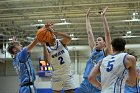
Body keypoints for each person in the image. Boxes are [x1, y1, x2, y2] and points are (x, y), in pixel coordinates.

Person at [77, 7, 112, 93]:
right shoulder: (93, 49)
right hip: (86, 82)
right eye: (96, 40)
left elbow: (107, 34)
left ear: (104, 44)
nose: (97, 41)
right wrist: (87, 17)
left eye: (99, 40)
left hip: (97, 82)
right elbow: (89, 32)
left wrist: (103, 17)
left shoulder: (106, 52)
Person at [42, 24, 75, 93]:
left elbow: (69, 38)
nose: (52, 35)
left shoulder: (61, 42)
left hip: (67, 74)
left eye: (52, 34)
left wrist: (55, 32)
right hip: (56, 77)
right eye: (50, 34)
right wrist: (44, 45)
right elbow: (46, 61)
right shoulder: (47, 49)